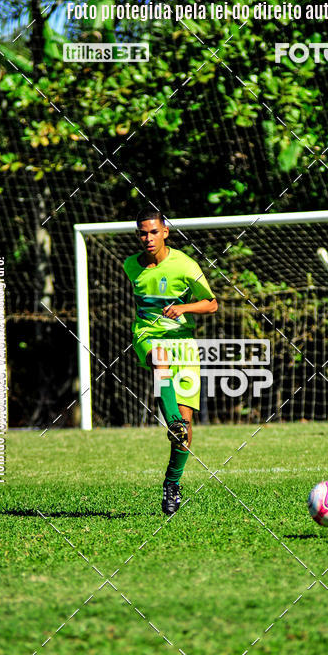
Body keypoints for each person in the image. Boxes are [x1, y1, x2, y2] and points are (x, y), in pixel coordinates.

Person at [123, 208, 218, 514]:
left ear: (165, 232)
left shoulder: (185, 265)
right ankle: (173, 420)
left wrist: (185, 308)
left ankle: (172, 483)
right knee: (159, 361)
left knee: (186, 434)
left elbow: (212, 304)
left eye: (153, 232)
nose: (147, 238)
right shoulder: (131, 266)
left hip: (184, 346)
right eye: (142, 232)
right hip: (148, 338)